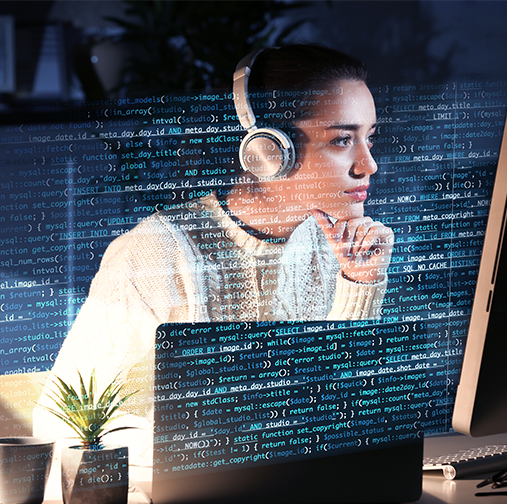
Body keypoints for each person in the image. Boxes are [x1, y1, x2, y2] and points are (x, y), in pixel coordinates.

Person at [33, 44, 394, 465]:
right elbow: (60, 422)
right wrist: (211, 449)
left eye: (369, 138)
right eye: (342, 140)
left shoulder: (341, 248)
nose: (368, 165)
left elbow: (339, 411)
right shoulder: (157, 251)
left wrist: (360, 285)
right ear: (269, 149)